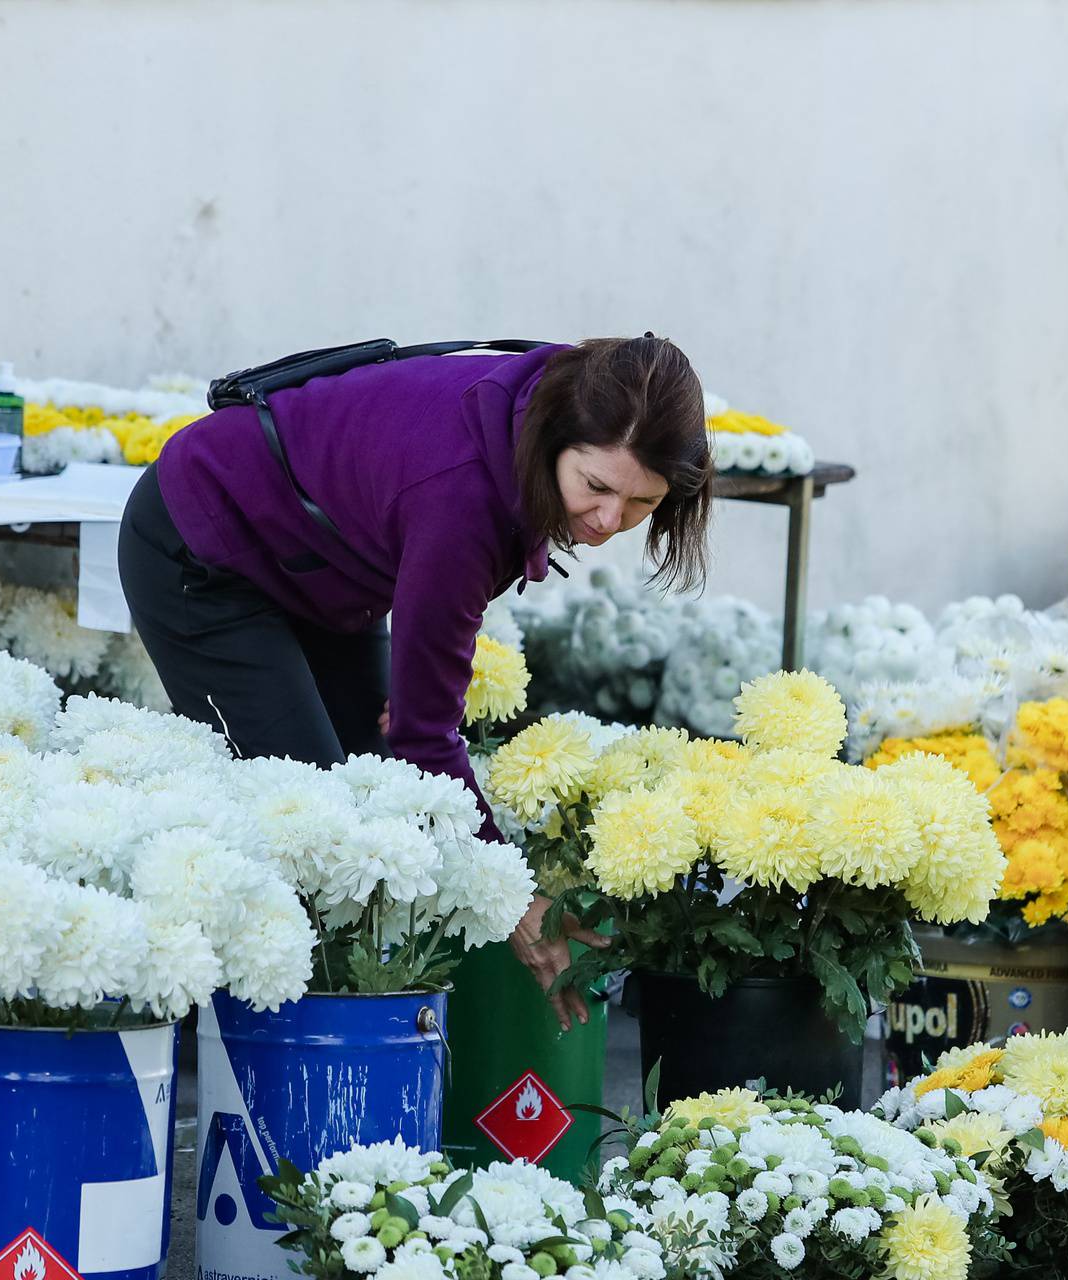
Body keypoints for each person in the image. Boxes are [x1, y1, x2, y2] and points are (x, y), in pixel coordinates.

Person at [117, 335, 712, 1028]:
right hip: (205, 545)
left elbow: (413, 730)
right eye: (597, 487)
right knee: (312, 829)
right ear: (557, 436)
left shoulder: (568, 399)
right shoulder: (462, 497)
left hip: (327, 567)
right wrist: (512, 896)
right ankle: (234, 1043)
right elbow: (423, 737)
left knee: (373, 793)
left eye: (642, 503)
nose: (609, 522)